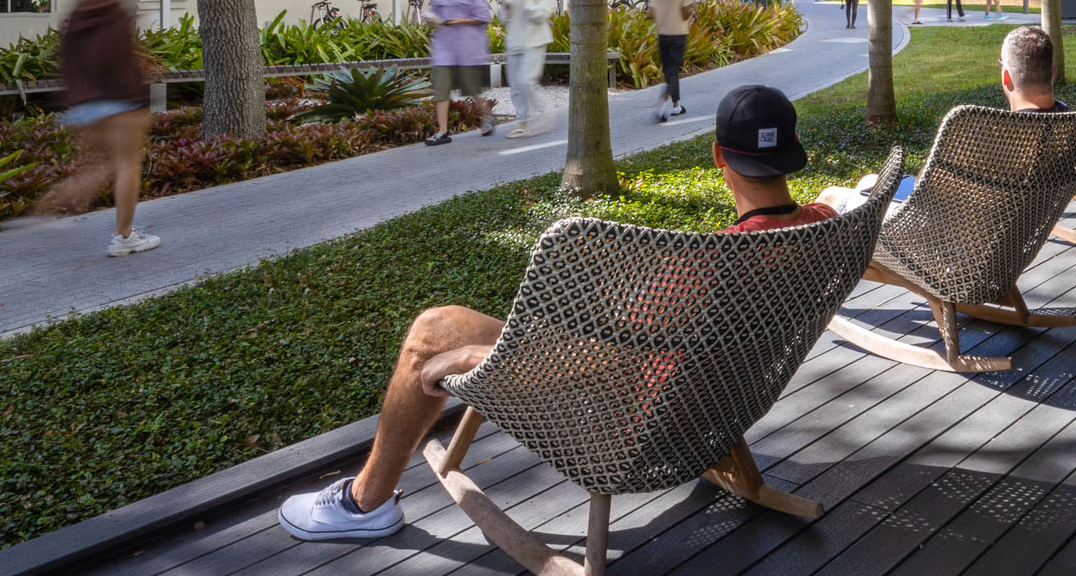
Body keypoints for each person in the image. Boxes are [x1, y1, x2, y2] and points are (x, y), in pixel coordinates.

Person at [277, 85, 840, 542]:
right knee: (475, 326)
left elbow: (602, 357)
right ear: (793, 151)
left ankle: (363, 503)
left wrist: (483, 357)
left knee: (433, 332)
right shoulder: (824, 229)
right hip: (711, 411)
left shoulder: (702, 267)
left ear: (718, 155)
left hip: (628, 429)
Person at [817, 25, 1066, 215]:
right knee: (870, 180)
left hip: (940, 232)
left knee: (831, 196)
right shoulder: (1069, 123)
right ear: (1052, 73)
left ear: (1005, 76)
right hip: (1009, 226)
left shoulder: (981, 133)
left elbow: (924, 190)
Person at [40, 0, 158, 257]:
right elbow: (120, 59)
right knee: (127, 165)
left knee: (104, 166)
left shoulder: (77, 11)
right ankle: (125, 237)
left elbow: (67, 56)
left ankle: (42, 212)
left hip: (85, 104)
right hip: (119, 101)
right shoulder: (115, 12)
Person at [424, 0, 493, 145]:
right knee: (441, 90)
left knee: (471, 88)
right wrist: (431, 18)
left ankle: (487, 116)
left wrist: (460, 20)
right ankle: (443, 132)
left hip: (466, 49)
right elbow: (433, 13)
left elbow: (484, 17)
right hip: (444, 49)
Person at [496, 0, 554, 137]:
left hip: (534, 42)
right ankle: (523, 123)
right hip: (514, 43)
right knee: (515, 86)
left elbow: (540, 16)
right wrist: (505, 7)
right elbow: (504, 20)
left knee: (527, 81)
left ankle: (544, 113)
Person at [649, 0, 695, 122]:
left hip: (663, 35)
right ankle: (661, 104)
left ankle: (676, 107)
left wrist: (663, 14)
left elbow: (650, 14)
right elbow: (685, 15)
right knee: (674, 71)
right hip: (678, 35)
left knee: (669, 70)